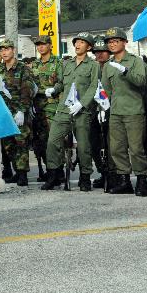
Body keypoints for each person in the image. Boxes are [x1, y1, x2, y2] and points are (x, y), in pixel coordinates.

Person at [41, 32, 99, 191]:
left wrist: (82, 104)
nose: (78, 45)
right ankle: (53, 174)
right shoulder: (67, 64)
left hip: (82, 111)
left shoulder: (93, 66)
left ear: (89, 47)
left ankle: (85, 176)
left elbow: (93, 87)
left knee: (83, 145)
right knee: (52, 141)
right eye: (76, 42)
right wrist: (54, 89)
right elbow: (62, 83)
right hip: (64, 109)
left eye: (82, 42)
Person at [101, 27, 147, 195]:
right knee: (117, 148)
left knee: (136, 148)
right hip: (115, 112)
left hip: (134, 111)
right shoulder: (108, 65)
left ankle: (142, 180)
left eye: (116, 41)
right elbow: (106, 90)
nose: (112, 44)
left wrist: (126, 71)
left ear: (124, 42)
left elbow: (141, 81)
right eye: (110, 42)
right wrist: (103, 106)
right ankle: (124, 181)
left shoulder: (135, 61)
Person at [0, 39, 35, 186]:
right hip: (4, 112)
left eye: (7, 49)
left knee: (20, 142)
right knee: (8, 144)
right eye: (1, 50)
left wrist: (22, 111)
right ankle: (16, 171)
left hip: (19, 111)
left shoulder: (23, 68)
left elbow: (28, 90)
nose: (4, 52)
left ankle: (23, 174)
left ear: (13, 50)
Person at [30, 35, 63, 180]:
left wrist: (54, 89)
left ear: (50, 45)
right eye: (38, 44)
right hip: (37, 107)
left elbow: (62, 82)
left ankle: (58, 171)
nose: (40, 47)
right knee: (41, 141)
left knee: (53, 140)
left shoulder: (58, 63)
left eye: (43, 44)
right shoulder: (34, 64)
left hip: (52, 105)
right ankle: (49, 170)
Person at [89, 37, 112, 188]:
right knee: (95, 144)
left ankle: (113, 174)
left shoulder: (114, 66)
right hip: (94, 111)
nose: (100, 55)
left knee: (111, 145)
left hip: (111, 112)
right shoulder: (93, 68)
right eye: (97, 52)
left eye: (103, 51)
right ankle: (103, 172)